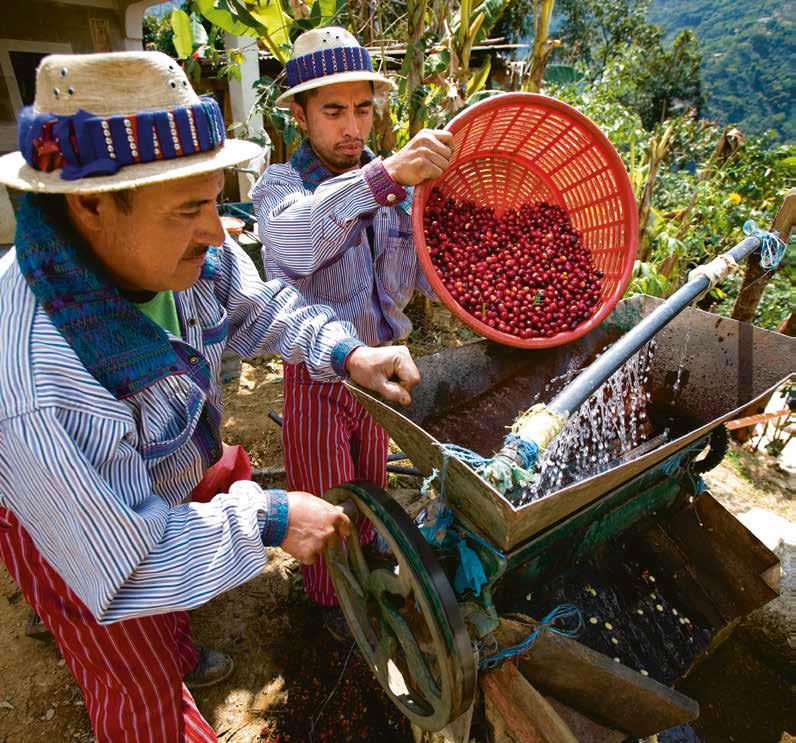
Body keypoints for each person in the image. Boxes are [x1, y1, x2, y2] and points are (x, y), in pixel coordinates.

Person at [0, 51, 420, 743]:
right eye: (190, 208)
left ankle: (177, 647)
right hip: (80, 526)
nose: (213, 229)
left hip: (159, 474)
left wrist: (349, 351)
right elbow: (126, 564)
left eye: (213, 197)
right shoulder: (43, 381)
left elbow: (257, 305)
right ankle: (157, 675)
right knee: (135, 678)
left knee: (169, 592)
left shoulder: (190, 249)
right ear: (91, 205)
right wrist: (270, 516)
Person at [252, 27, 452, 638]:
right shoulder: (280, 188)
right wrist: (384, 177)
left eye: (362, 109)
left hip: (382, 372)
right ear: (299, 114)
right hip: (317, 378)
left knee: (371, 481)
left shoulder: (397, 196)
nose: (353, 128)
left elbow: (420, 272)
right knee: (324, 493)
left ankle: (366, 558)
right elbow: (294, 240)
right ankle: (328, 600)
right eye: (333, 110)